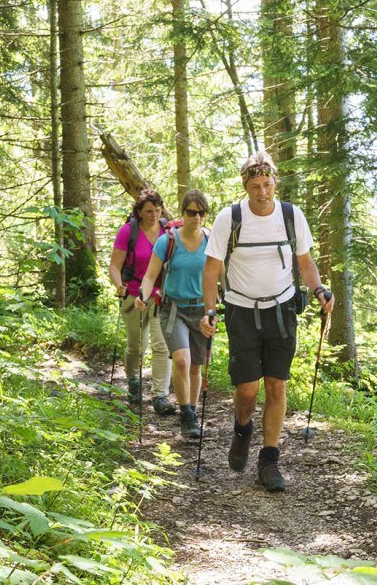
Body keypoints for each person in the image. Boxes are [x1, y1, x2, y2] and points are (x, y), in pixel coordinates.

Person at [199, 152, 334, 492]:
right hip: (241, 311)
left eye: (267, 184)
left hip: (282, 309)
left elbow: (304, 261)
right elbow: (212, 268)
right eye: (255, 185)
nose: (262, 192)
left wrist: (318, 288)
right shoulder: (229, 218)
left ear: (276, 183)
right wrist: (209, 309)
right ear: (245, 186)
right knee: (247, 389)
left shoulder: (291, 216)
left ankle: (269, 459)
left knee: (277, 384)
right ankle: (242, 427)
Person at [139, 189, 212, 439]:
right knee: (182, 360)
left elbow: (224, 277)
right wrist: (143, 295)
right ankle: (187, 416)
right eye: (191, 212)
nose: (196, 217)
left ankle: (192, 409)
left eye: (201, 212)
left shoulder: (211, 241)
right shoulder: (167, 241)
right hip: (173, 309)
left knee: (196, 367)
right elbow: (150, 276)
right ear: (183, 213)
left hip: (202, 310)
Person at [108, 189, 175, 415]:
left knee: (161, 346)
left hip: (161, 296)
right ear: (138, 212)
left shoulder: (169, 231)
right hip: (134, 295)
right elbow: (115, 266)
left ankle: (160, 395)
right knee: (137, 346)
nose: (154, 215)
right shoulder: (128, 231)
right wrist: (119, 286)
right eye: (148, 211)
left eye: (157, 210)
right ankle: (134, 381)